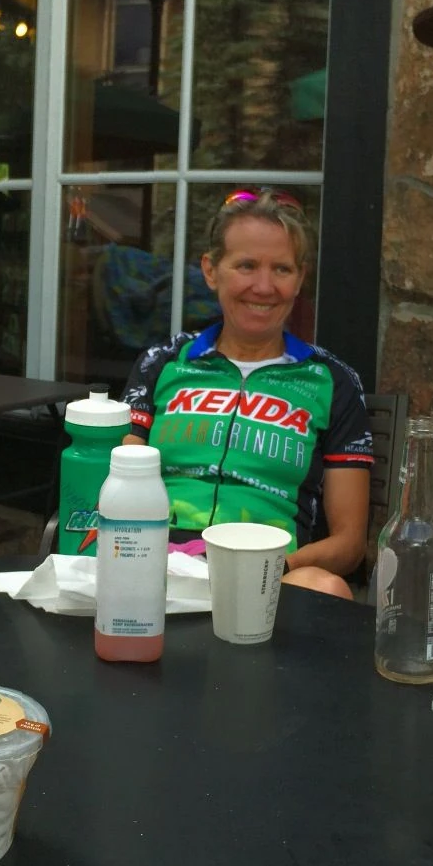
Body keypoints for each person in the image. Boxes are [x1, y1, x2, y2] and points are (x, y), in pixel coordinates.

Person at [112, 190, 376, 599]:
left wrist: (273, 567)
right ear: (211, 270)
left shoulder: (332, 380)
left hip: (267, 580)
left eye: (282, 269)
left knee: (326, 587)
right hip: (152, 564)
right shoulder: (162, 363)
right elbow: (118, 479)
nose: (264, 286)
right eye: (247, 265)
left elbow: (349, 544)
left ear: (300, 278)